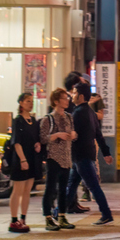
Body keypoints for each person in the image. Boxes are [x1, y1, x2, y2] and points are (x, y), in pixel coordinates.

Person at [70, 82, 115, 225]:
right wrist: (106, 153)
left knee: (93, 186)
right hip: (86, 154)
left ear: (81, 96)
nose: (73, 95)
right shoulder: (90, 112)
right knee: (71, 185)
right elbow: (99, 135)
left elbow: (74, 135)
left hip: (80, 155)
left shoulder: (77, 113)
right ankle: (59, 211)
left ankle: (106, 213)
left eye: (75, 92)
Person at [5, 92, 42, 233]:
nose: (30, 103)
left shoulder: (33, 120)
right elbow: (16, 142)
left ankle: (23, 218)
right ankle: (13, 220)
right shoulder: (18, 120)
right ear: (20, 103)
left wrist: (38, 144)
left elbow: (35, 138)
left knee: (27, 190)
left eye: (31, 101)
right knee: (18, 190)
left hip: (32, 158)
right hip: (21, 158)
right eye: (27, 101)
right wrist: (23, 159)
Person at [40, 87, 76, 231]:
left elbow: (73, 132)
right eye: (64, 98)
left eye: (67, 98)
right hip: (53, 157)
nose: (67, 101)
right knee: (50, 188)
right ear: (56, 101)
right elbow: (43, 138)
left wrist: (73, 134)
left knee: (63, 188)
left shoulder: (68, 117)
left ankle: (62, 215)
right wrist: (57, 135)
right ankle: (48, 217)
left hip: (66, 157)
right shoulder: (48, 119)